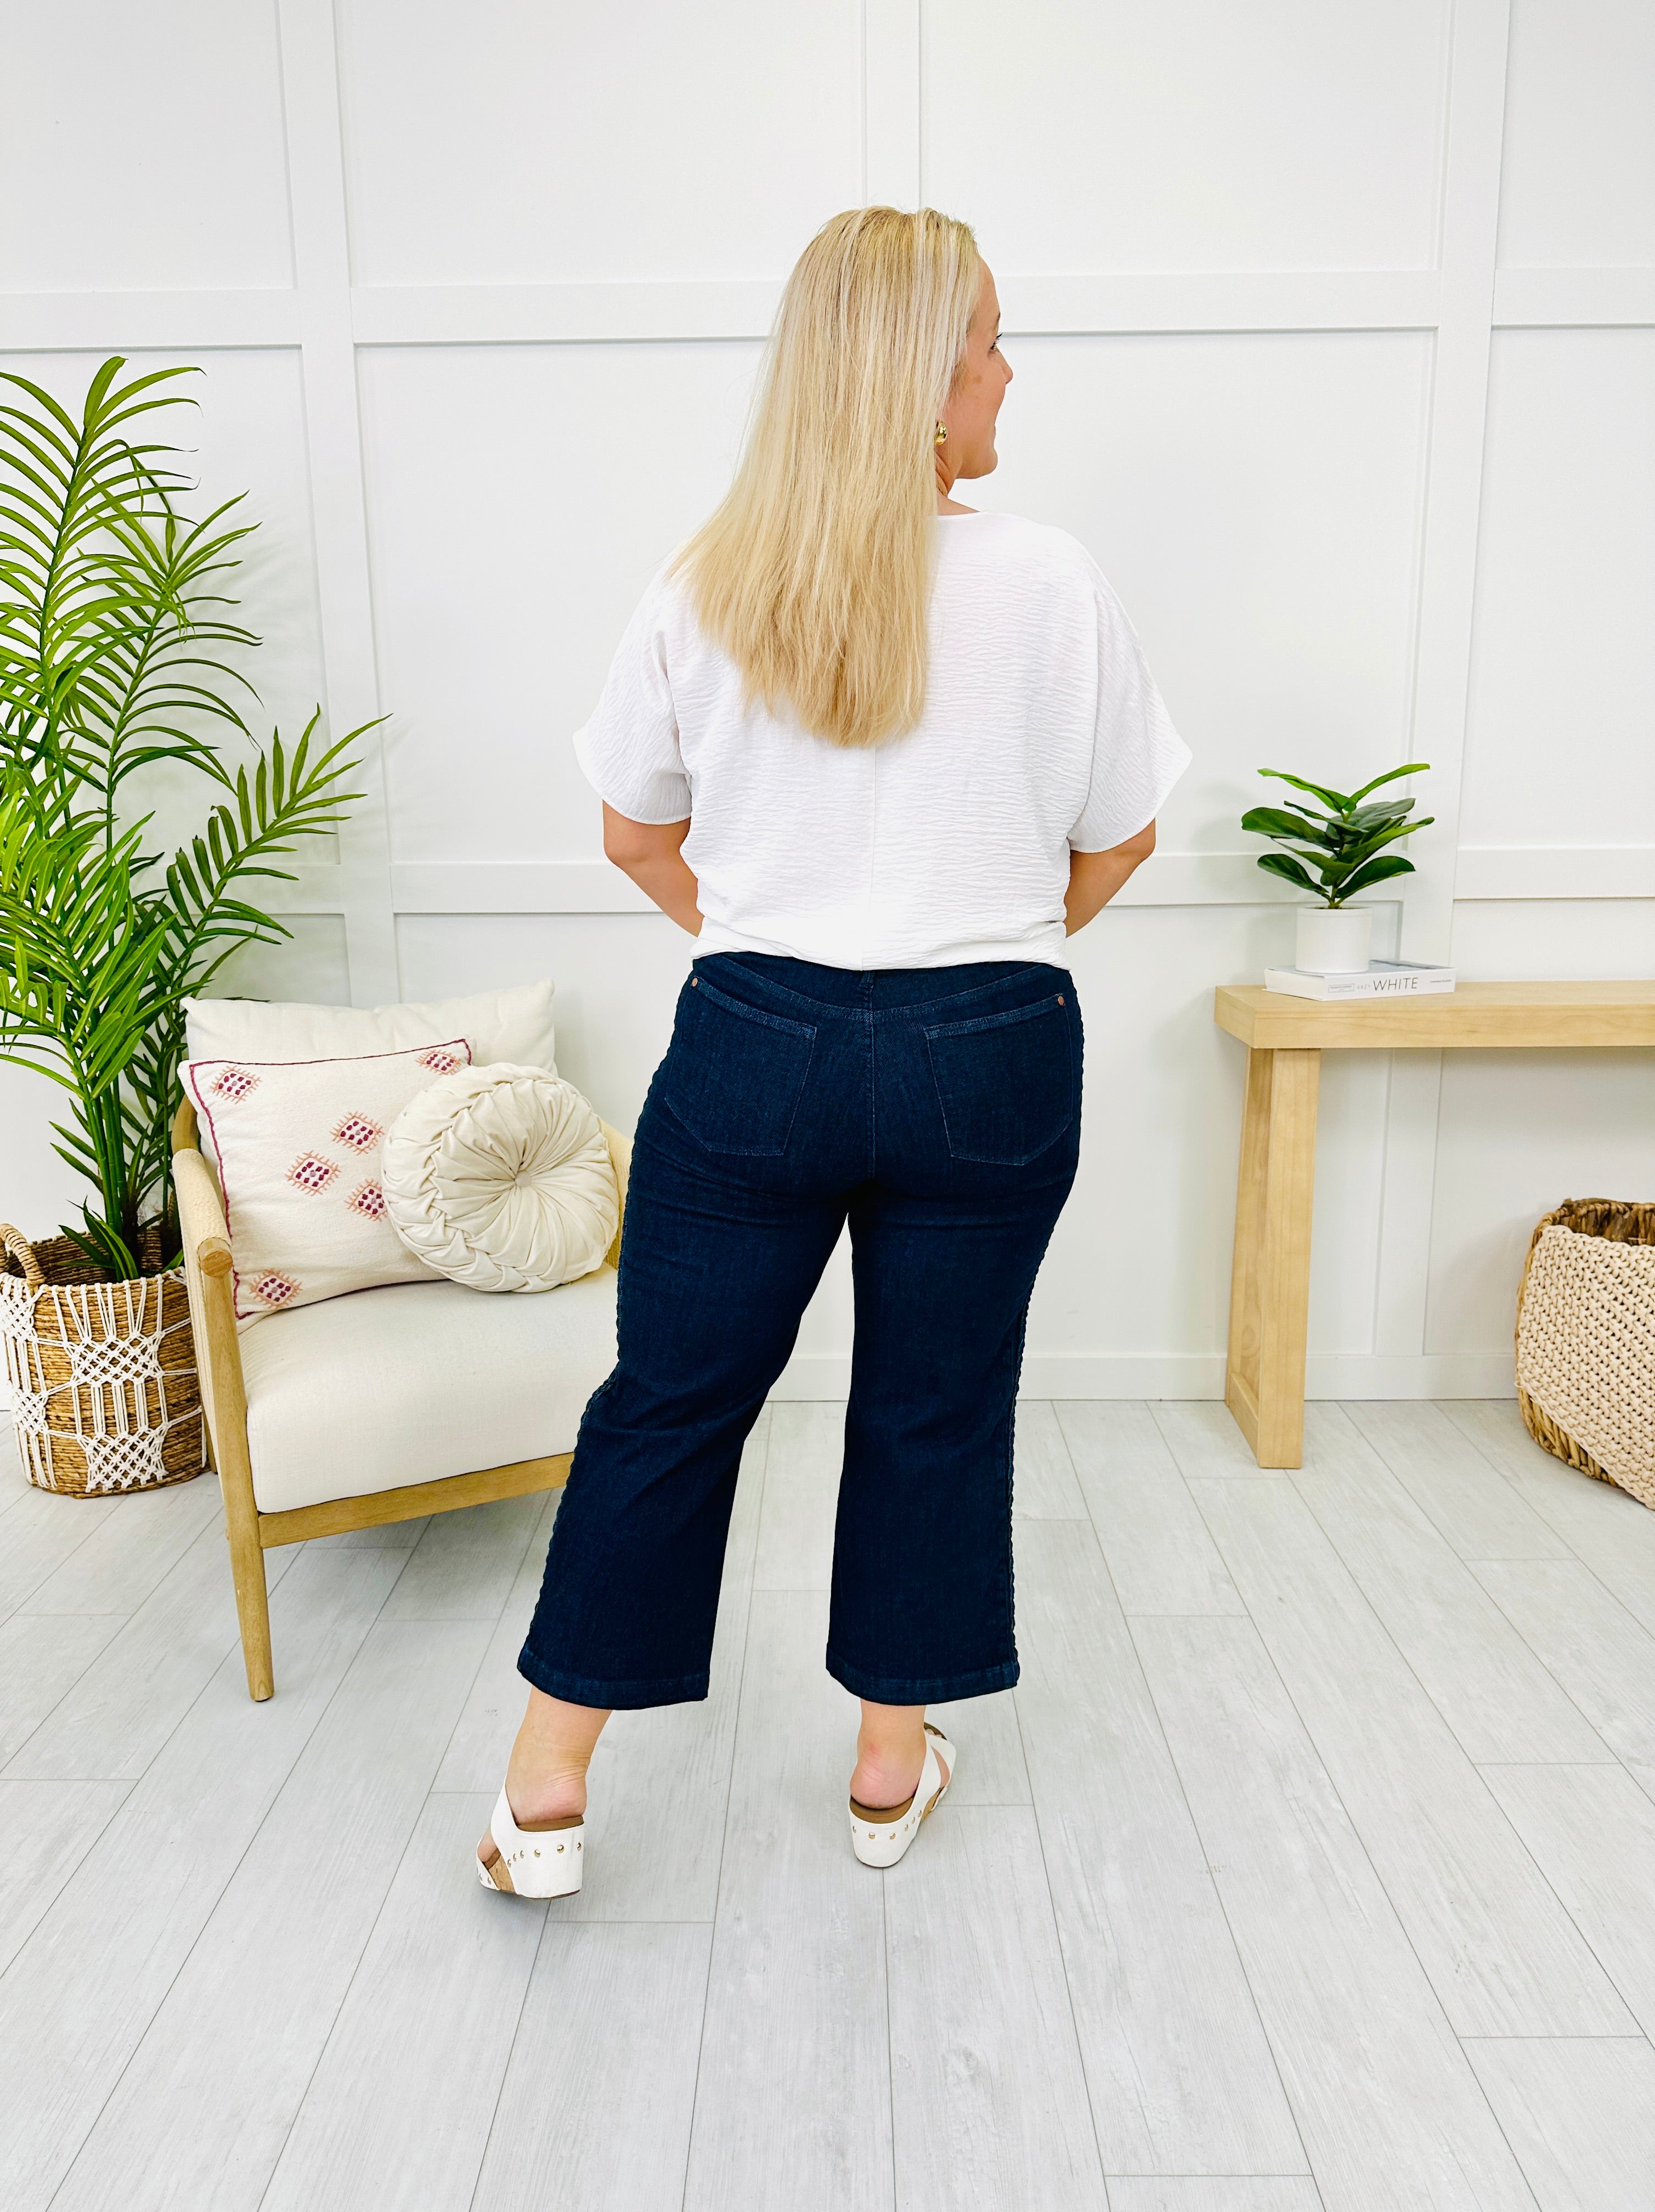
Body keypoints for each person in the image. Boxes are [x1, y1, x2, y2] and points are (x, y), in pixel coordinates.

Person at [477, 205, 1190, 1899]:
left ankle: (544, 1793)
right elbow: (1123, 842)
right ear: (923, 374)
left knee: (669, 1403)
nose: (1011, 372)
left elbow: (635, 837)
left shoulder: (709, 576)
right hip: (995, 1047)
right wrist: (986, 955)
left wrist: (776, 951)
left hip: (757, 1038)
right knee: (937, 1408)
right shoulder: (1054, 581)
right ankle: (889, 1766)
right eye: (994, 339)